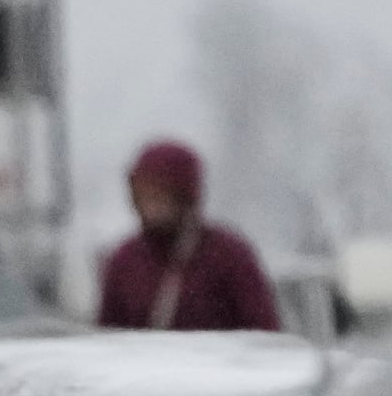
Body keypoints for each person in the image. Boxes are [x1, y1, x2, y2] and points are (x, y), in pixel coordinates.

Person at [92, 140, 279, 334]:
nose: (151, 205)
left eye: (161, 194)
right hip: (144, 364)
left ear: (185, 197)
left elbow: (264, 335)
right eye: (144, 194)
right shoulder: (125, 260)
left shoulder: (228, 255)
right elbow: (110, 340)